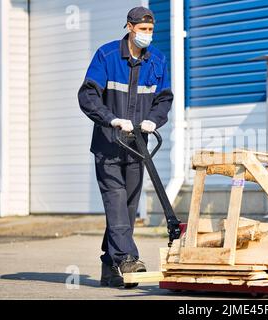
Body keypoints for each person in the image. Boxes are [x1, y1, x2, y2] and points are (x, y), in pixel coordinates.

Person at [78, 6, 173, 288]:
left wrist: (153, 121)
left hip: (137, 146)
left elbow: (164, 99)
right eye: (143, 30)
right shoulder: (107, 56)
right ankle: (128, 259)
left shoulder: (157, 61)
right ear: (130, 27)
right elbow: (88, 95)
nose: (148, 35)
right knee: (116, 202)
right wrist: (111, 119)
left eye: (151, 30)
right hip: (109, 144)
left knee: (128, 208)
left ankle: (110, 268)